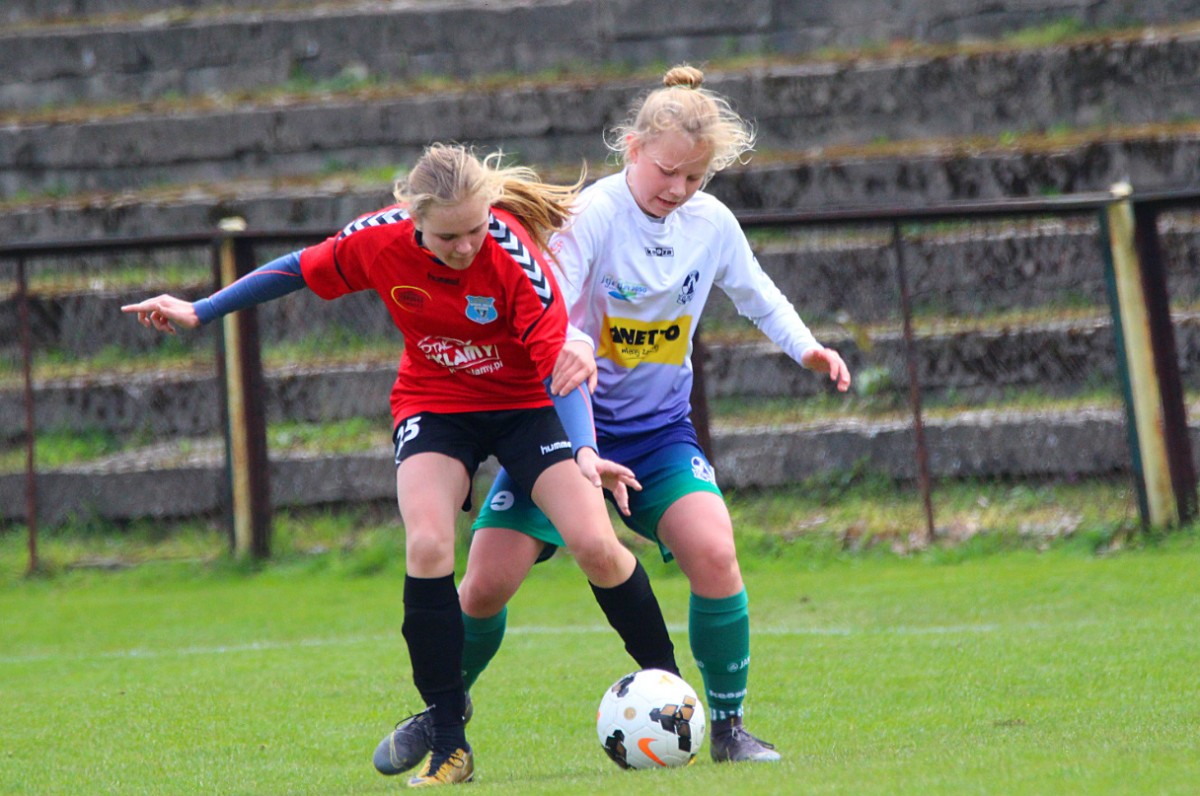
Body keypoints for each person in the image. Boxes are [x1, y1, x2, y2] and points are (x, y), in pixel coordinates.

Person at [122, 142, 679, 788]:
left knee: (597, 546)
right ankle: (450, 744)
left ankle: (673, 696)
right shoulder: (378, 239)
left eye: (475, 229)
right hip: (436, 402)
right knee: (428, 544)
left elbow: (562, 368)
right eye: (448, 236)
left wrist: (584, 451)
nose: (465, 247)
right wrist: (200, 309)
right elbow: (297, 268)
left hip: (527, 406)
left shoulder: (513, 256)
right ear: (414, 218)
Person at [377, 65, 852, 771]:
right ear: (633, 147)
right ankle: (444, 712)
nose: (679, 189)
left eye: (695, 177)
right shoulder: (592, 216)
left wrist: (806, 346)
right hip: (562, 433)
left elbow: (757, 293)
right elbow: (554, 320)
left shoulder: (711, 224)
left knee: (715, 552)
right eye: (667, 172)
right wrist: (581, 440)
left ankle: (727, 726)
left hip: (659, 435)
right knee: (484, 583)